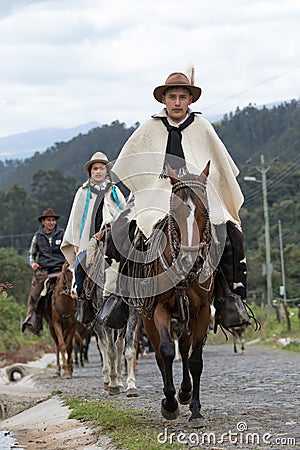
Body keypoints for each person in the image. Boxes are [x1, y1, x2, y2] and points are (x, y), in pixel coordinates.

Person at [110, 69, 251, 330]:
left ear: (190, 100)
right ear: (163, 99)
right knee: (124, 229)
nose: (177, 102)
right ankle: (122, 295)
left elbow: (219, 167)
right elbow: (131, 162)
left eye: (182, 97)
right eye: (172, 96)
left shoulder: (202, 127)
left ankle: (231, 298)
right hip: (159, 190)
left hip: (198, 191)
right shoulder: (149, 128)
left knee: (232, 234)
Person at [60, 151, 126, 322]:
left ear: (107, 171)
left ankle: (131, 301)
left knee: (129, 267)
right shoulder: (83, 192)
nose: (98, 171)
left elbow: (125, 213)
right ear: (90, 172)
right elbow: (76, 218)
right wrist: (75, 242)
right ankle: (84, 301)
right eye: (95, 168)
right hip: (89, 241)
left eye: (101, 168)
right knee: (80, 266)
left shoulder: (115, 191)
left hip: (113, 240)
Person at [22, 208, 65, 335]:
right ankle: (33, 321)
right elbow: (31, 254)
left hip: (60, 270)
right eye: (48, 220)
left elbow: (68, 249)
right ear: (43, 222)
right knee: (34, 296)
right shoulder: (37, 236)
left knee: (76, 289)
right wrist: (32, 263)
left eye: (53, 220)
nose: (51, 223)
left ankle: (84, 316)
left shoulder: (63, 234)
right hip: (44, 272)